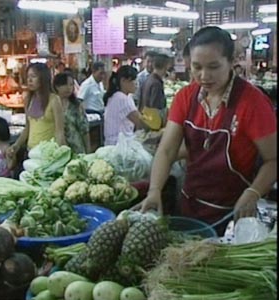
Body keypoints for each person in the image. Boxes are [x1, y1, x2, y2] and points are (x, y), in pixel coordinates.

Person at [134, 26, 277, 236]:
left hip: (232, 212)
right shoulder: (185, 97)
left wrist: (254, 191)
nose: (204, 76)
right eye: (197, 66)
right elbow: (167, 151)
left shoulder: (253, 102)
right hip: (189, 205)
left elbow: (273, 159)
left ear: (231, 62)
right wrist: (155, 189)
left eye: (213, 66)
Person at [7, 63, 66, 168]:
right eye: (28, 77)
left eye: (33, 77)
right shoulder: (28, 100)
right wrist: (17, 145)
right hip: (31, 153)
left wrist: (61, 155)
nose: (29, 80)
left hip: (48, 154)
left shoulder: (54, 100)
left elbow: (59, 131)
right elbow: (28, 128)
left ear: (43, 78)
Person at [103, 66, 151, 145]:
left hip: (116, 142)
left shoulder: (120, 95)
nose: (136, 84)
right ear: (123, 81)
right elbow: (140, 122)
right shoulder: (122, 98)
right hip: (118, 144)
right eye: (133, 80)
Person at [53, 72, 90, 153]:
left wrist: (88, 150)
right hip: (57, 149)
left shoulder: (76, 105)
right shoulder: (51, 104)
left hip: (76, 147)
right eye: (65, 84)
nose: (69, 88)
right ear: (57, 86)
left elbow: (84, 129)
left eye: (71, 85)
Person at [139, 54, 170, 124]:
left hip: (146, 119)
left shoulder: (149, 79)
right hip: (152, 123)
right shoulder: (156, 84)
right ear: (165, 67)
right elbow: (155, 108)